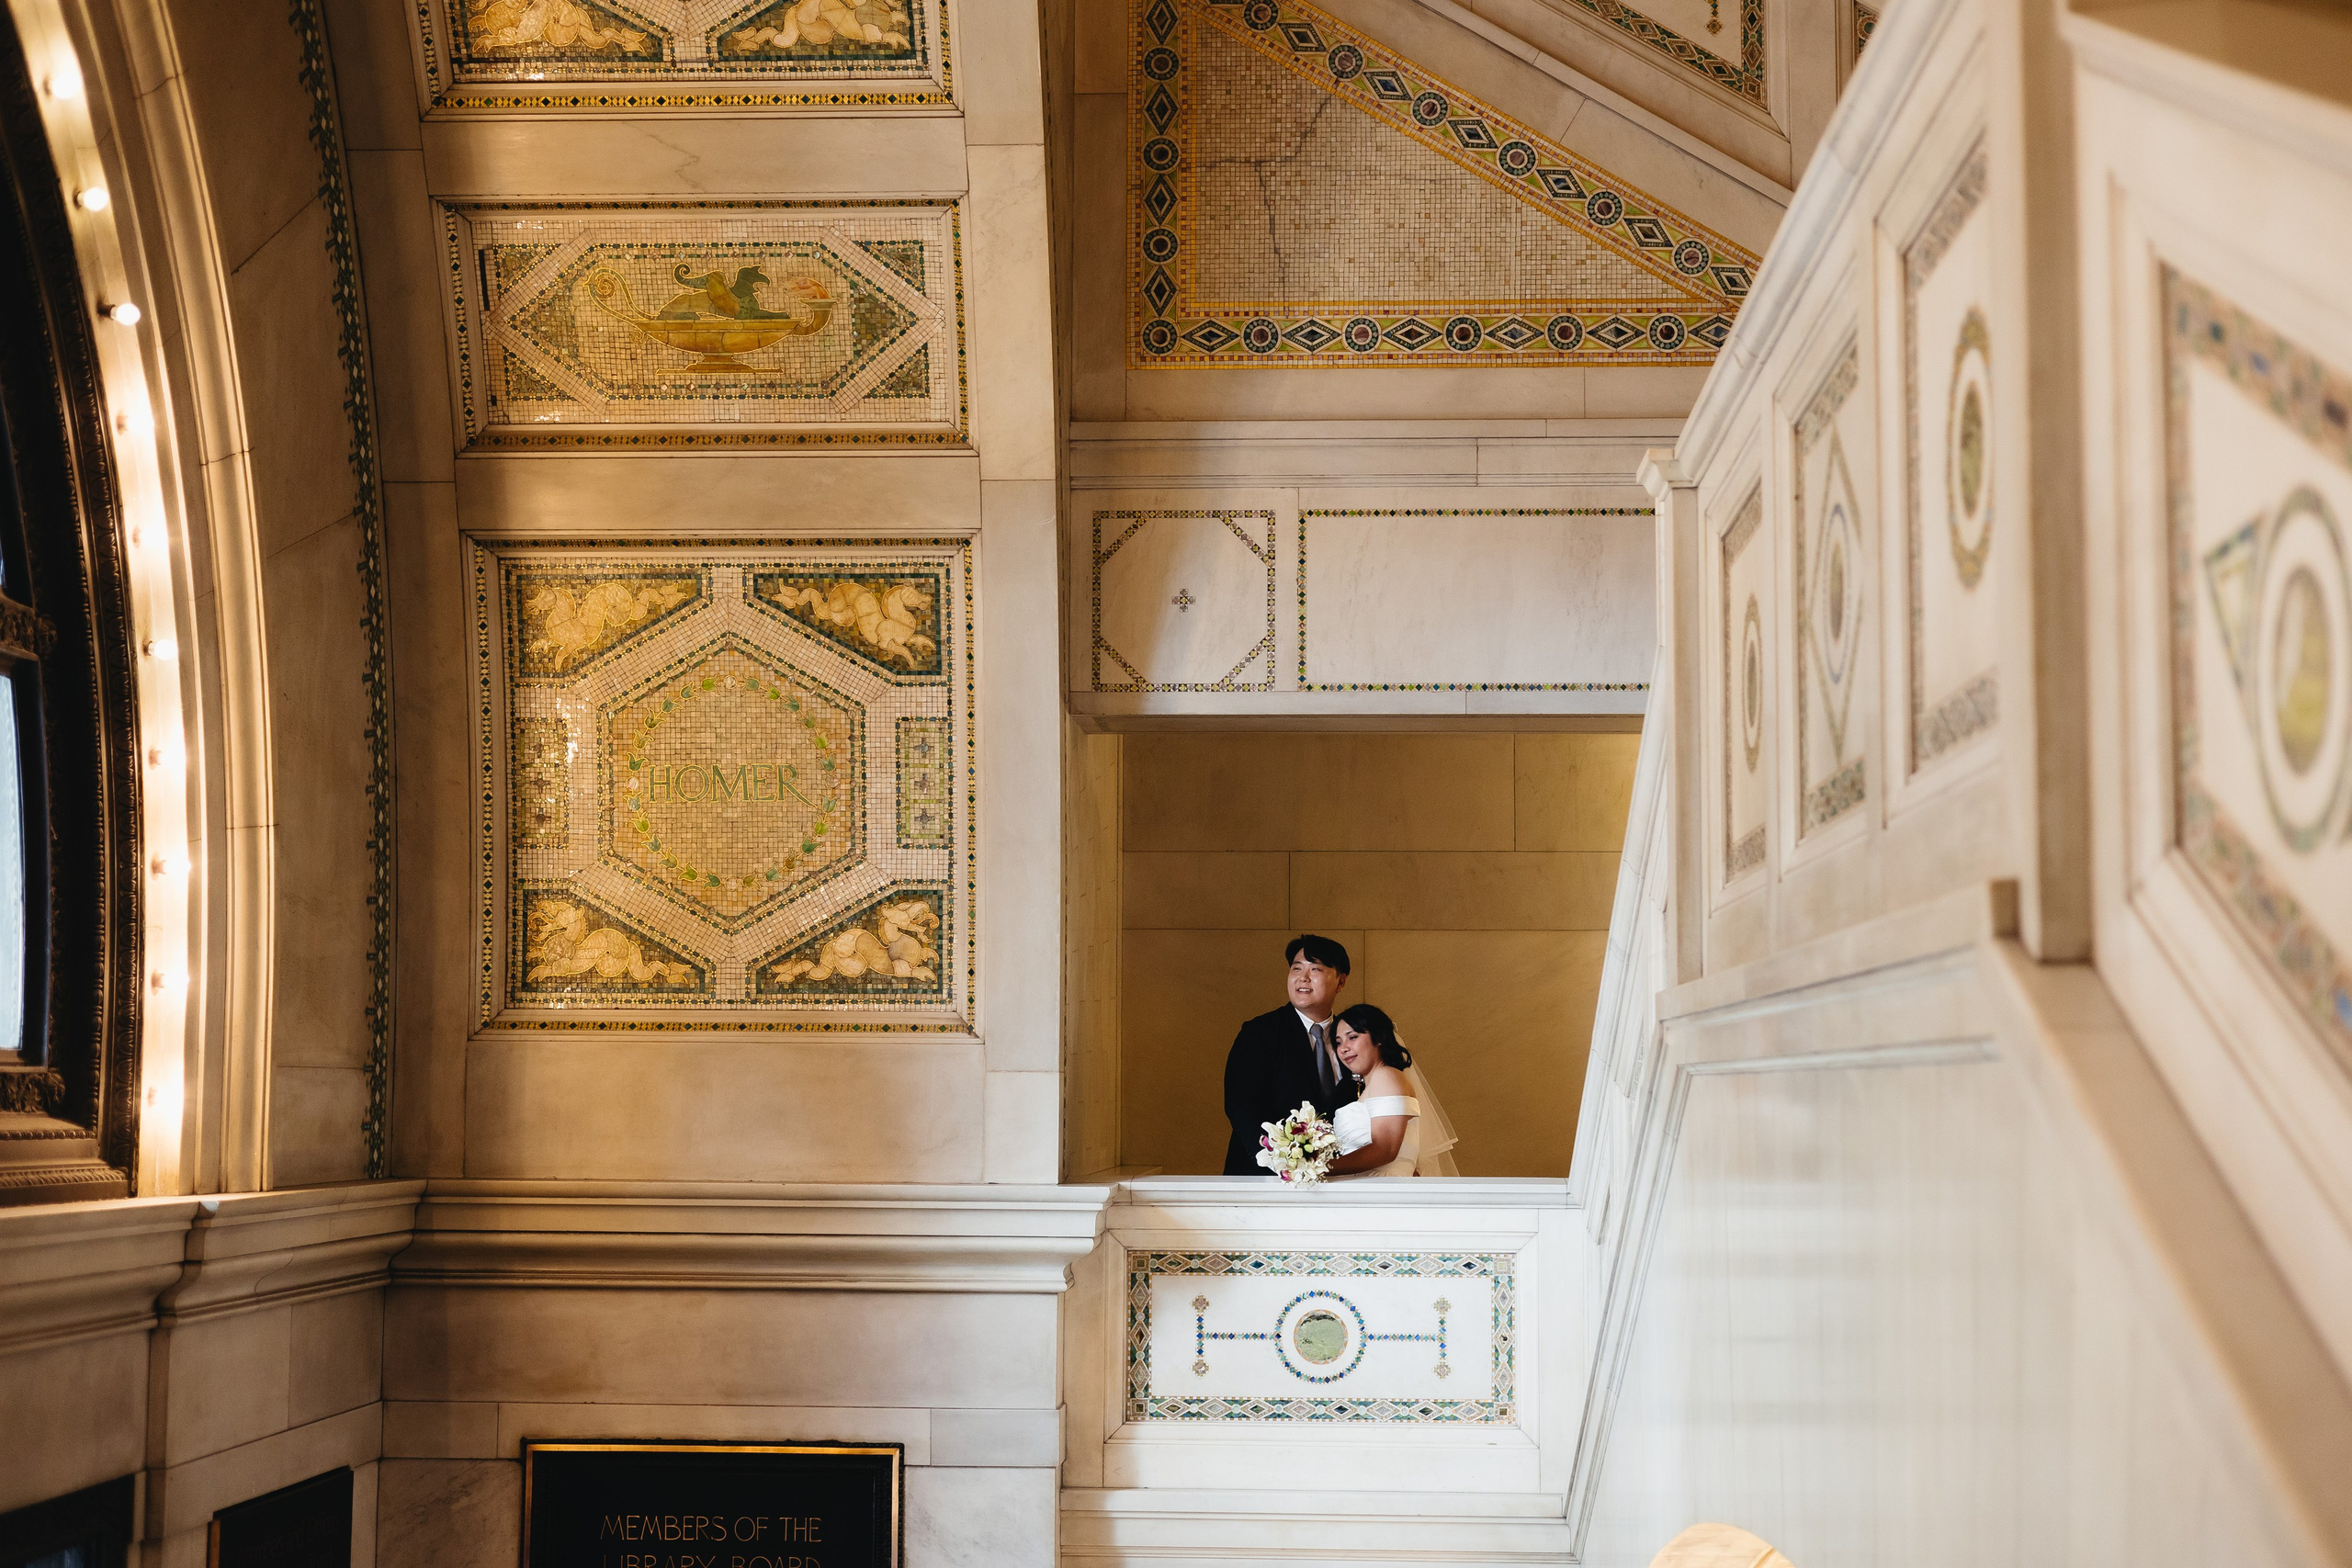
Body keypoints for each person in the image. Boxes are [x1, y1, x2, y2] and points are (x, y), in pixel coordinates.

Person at [1222, 935, 1358, 1176]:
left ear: (1340, 981)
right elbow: (1241, 1106)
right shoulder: (1259, 1032)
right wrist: (1285, 1165)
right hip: (1267, 1179)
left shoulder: (1353, 1039)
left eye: (1315, 969)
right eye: (1296, 968)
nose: (1303, 978)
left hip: (1339, 1181)